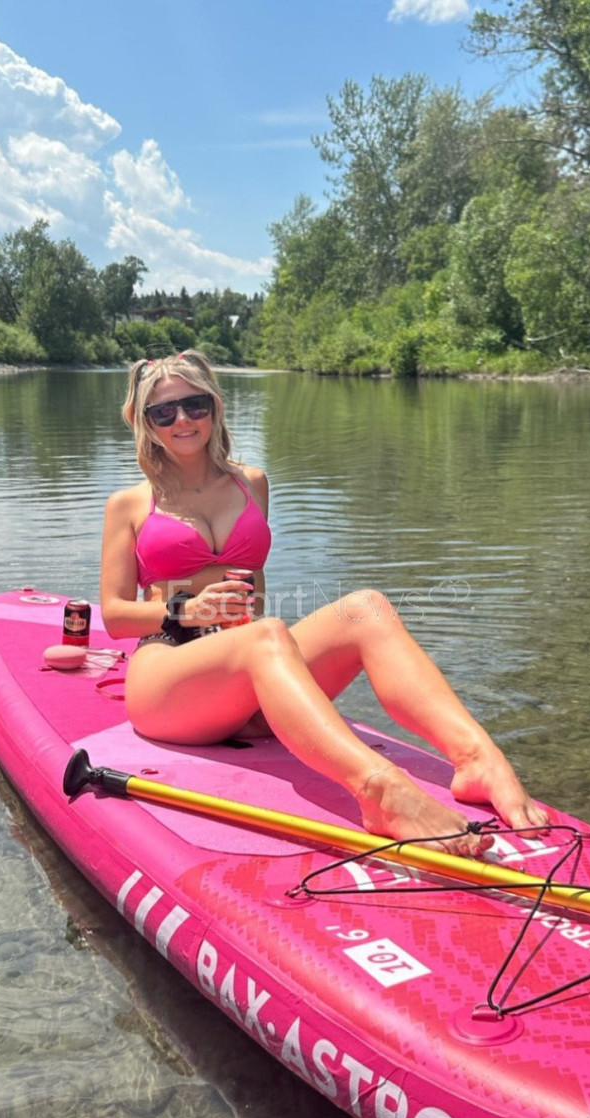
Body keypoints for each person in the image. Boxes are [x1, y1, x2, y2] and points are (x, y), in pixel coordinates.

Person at [100, 350, 547, 858]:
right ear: (144, 420)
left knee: (367, 607)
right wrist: (188, 610)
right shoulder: (129, 504)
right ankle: (382, 793)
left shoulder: (251, 483)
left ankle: (478, 759)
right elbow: (114, 614)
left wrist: (250, 638)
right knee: (267, 636)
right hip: (170, 679)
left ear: (215, 406)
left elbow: (255, 586)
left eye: (194, 404)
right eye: (164, 411)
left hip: (244, 682)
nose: (182, 419)